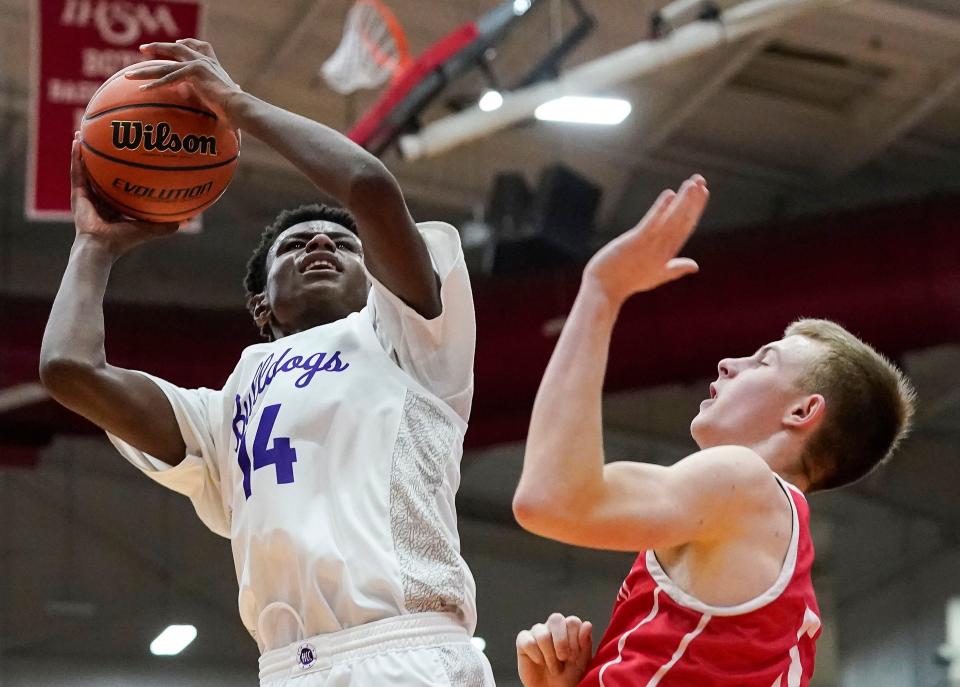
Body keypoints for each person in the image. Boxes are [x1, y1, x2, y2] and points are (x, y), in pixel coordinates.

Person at [40, 38, 492, 687]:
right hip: (285, 669)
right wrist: (94, 245)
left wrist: (235, 105)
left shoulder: (409, 340)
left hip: (404, 655)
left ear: (377, 282)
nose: (318, 242)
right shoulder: (225, 408)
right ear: (261, 304)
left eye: (344, 243)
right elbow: (68, 369)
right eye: (294, 245)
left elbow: (367, 185)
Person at [512, 176, 916, 687]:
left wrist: (601, 293)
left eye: (763, 361)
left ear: (802, 411)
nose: (729, 363)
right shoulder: (764, 552)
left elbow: (551, 499)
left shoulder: (744, 480)